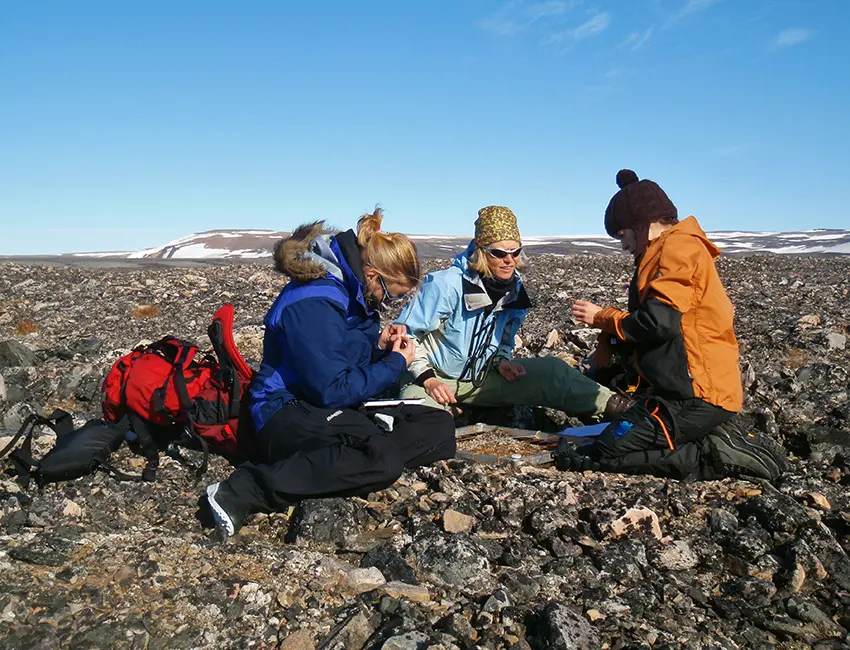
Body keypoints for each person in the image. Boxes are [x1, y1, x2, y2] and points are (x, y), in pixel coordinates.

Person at [204, 209, 456, 537]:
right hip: (284, 411)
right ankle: (243, 490)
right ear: (371, 272)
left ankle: (357, 451)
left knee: (438, 427)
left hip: (323, 406)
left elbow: (339, 357)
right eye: (393, 293)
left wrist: (380, 348)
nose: (391, 302)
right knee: (384, 463)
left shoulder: (349, 291)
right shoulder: (312, 302)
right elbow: (332, 389)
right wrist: (395, 364)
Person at [564, 169, 787, 481]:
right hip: (690, 392)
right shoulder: (669, 249)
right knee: (606, 442)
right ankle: (709, 439)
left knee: (604, 453)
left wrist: (603, 317)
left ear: (641, 226)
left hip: (694, 396)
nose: (624, 245)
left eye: (623, 235)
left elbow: (659, 323)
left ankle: (716, 456)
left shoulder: (675, 249)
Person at [396, 205, 634, 422]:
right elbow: (405, 337)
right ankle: (446, 416)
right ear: (481, 251)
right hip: (431, 378)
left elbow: (505, 340)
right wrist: (427, 378)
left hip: (481, 379)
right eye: (499, 253)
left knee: (553, 371)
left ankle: (624, 410)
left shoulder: (515, 291)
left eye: (516, 252)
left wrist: (501, 362)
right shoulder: (446, 285)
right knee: (418, 417)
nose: (509, 260)